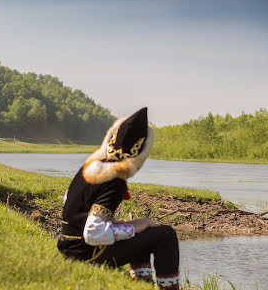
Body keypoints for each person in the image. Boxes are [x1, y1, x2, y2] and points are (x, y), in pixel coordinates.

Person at [57, 107, 179, 290]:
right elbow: (92, 233)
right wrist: (133, 226)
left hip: (70, 247)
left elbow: (70, 202)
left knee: (140, 233)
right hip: (86, 253)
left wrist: (117, 225)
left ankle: (143, 284)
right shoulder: (115, 181)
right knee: (166, 235)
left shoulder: (92, 166)